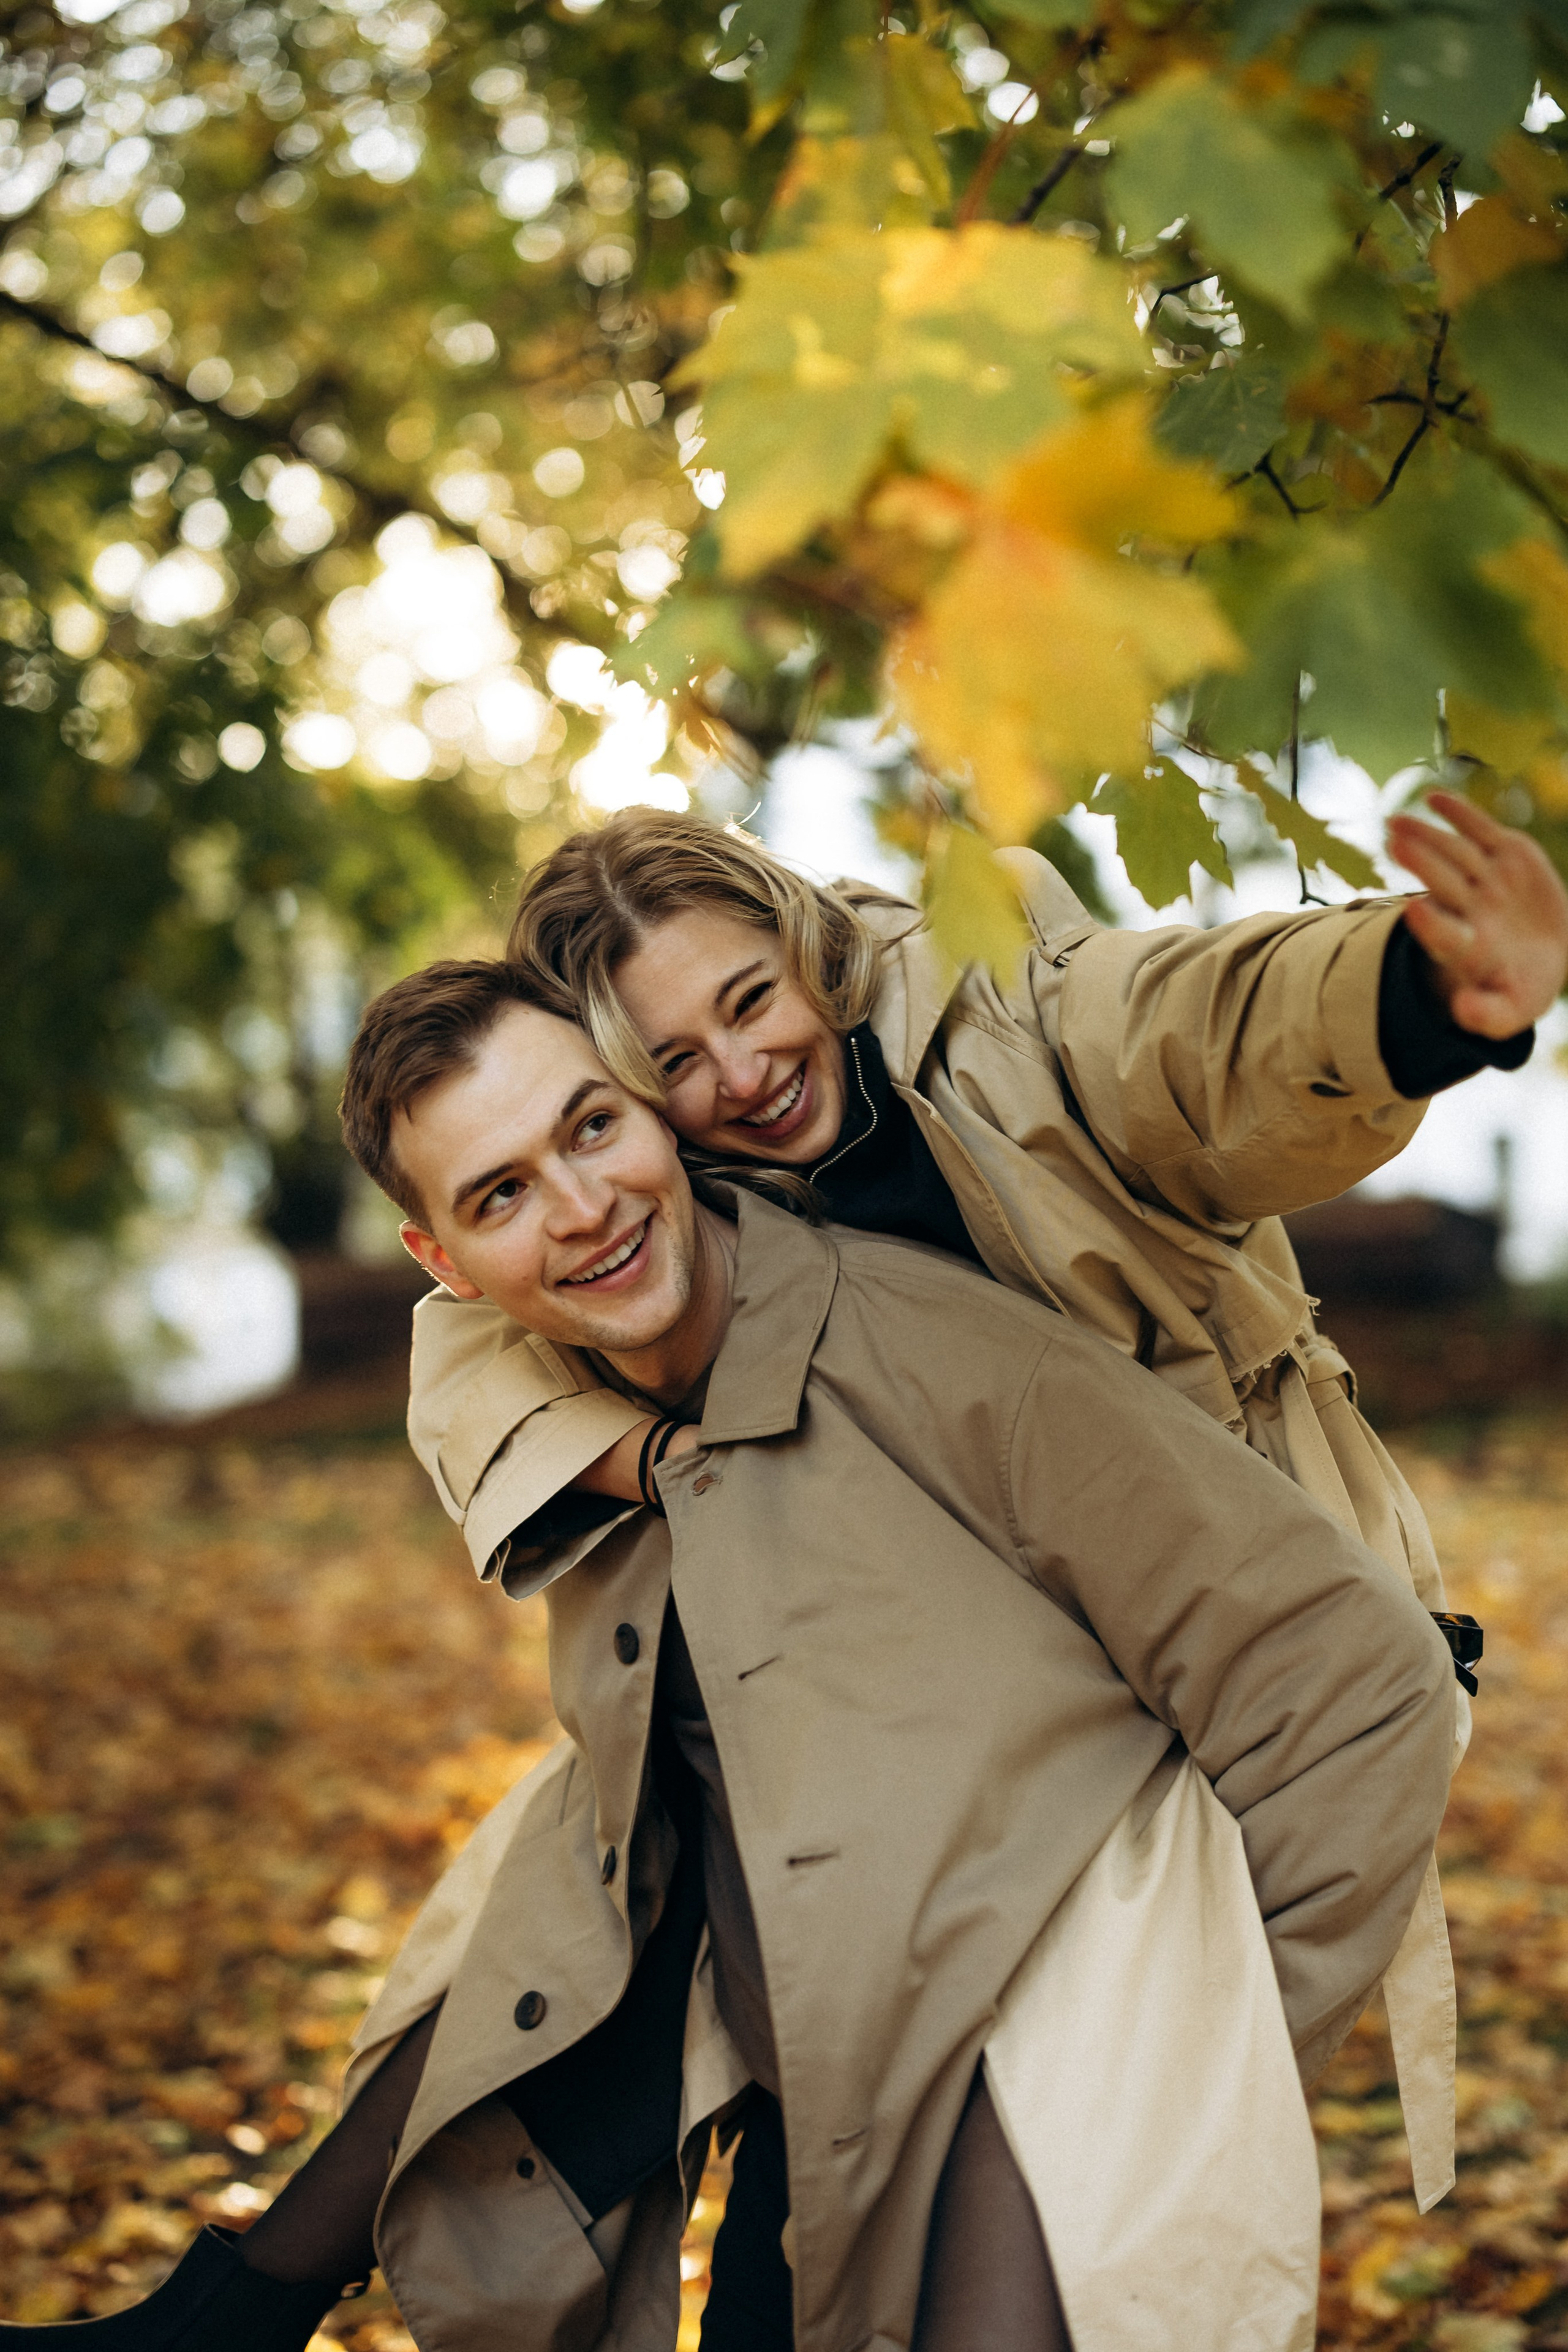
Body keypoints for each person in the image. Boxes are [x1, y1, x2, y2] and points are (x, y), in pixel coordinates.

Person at [6, 964, 1457, 2352]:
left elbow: (1363, 1687)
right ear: (443, 1267)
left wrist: (1199, 2053)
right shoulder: (579, 1421)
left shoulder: (943, 1359)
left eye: (591, 1127)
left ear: (655, 1113)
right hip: (793, 2068)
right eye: (501, 1194)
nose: (582, 1209)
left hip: (1025, 2072)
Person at [404, 793, 1568, 2210]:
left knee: (1088, 2155)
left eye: (751, 999)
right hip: (941, 1735)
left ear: (802, 941)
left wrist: (1415, 995)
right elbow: (466, 1341)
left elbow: (1194, 1032)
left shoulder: (1000, 1010)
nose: (745, 1073)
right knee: (805, 2096)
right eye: (675, 1063)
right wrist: (635, 1456)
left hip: (1200, 1632)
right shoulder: (671, 1189)